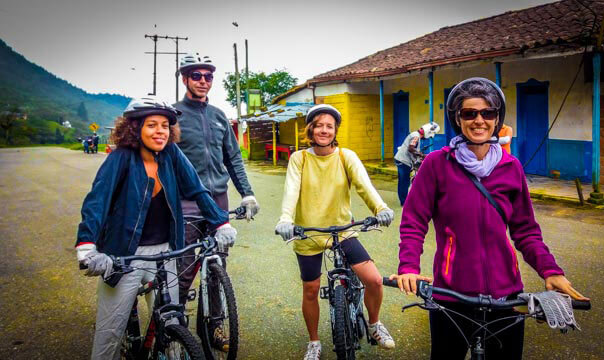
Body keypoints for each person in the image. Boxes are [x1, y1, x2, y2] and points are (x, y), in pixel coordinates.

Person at [390, 78, 588, 360]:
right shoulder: (436, 164)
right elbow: (414, 222)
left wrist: (550, 271)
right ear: (458, 119)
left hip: (506, 296)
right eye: (469, 113)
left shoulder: (511, 167)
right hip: (450, 296)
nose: (479, 120)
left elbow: (526, 231)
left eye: (487, 113)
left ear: (497, 119)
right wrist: (408, 266)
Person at [75, 97, 235, 360]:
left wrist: (221, 222)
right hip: (124, 256)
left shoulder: (172, 153)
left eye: (164, 125)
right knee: (109, 335)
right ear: (135, 128)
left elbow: (197, 189)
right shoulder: (120, 158)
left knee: (172, 325)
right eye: (152, 125)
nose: (160, 131)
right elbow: (97, 201)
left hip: (165, 253)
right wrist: (87, 246)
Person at [275, 104, 396, 360]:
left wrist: (381, 207)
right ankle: (314, 342)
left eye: (329, 126)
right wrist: (286, 219)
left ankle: (374, 324)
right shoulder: (300, 159)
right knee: (310, 288)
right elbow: (291, 191)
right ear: (310, 129)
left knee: (373, 279)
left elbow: (364, 185)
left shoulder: (345, 156)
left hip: (343, 231)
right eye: (318, 125)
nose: (324, 130)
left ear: (335, 130)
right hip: (308, 233)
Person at [173, 52, 259, 350]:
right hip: (186, 202)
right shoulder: (173, 115)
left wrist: (247, 192)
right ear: (185, 79)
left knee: (216, 266)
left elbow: (233, 158)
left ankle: (214, 328)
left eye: (208, 76)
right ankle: (176, 329)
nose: (203, 81)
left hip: (219, 199)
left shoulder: (220, 115)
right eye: (196, 76)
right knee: (184, 268)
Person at [394, 122, 440, 206]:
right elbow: (411, 148)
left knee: (402, 181)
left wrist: (418, 156)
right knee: (404, 182)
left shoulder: (415, 134)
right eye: (431, 135)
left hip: (400, 159)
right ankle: (404, 202)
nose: (429, 137)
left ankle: (403, 200)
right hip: (403, 161)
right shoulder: (416, 136)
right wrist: (422, 155)